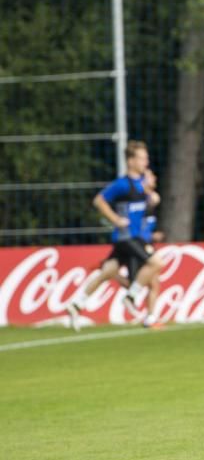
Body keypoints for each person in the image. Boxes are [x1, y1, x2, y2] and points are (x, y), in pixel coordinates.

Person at [67, 141, 164, 330]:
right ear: (130, 161)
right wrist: (115, 219)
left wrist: (150, 192)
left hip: (130, 239)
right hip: (128, 237)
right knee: (157, 263)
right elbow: (99, 200)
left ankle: (76, 303)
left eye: (146, 158)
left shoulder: (142, 183)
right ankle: (131, 297)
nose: (146, 162)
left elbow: (154, 199)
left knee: (107, 273)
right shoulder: (122, 184)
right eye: (142, 158)